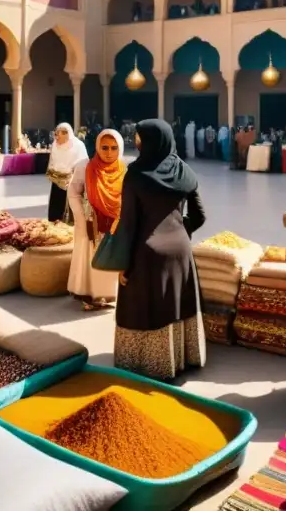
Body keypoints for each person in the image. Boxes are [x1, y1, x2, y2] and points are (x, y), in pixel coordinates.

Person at [113, 120, 206, 380]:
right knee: (176, 304)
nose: (137, 141)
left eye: (140, 137)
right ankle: (181, 358)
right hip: (181, 250)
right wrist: (179, 232)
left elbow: (128, 224)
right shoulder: (184, 171)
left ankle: (150, 364)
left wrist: (123, 264)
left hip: (147, 253)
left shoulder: (136, 174)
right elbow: (199, 216)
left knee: (142, 309)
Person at [68, 129, 125, 310]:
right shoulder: (85, 166)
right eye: (105, 147)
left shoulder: (124, 169)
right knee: (90, 257)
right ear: (97, 147)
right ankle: (89, 296)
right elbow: (73, 192)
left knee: (110, 256)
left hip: (115, 222)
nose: (109, 153)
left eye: (114, 148)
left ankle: (108, 295)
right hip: (90, 221)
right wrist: (81, 217)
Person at [46, 122, 87, 223]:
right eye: (57, 133)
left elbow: (84, 163)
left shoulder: (78, 145)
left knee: (71, 208)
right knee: (56, 207)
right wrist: (54, 174)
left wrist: (72, 176)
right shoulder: (55, 145)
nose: (59, 136)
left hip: (73, 182)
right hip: (57, 181)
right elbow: (52, 162)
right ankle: (55, 223)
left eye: (63, 133)